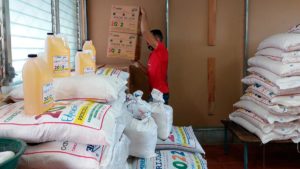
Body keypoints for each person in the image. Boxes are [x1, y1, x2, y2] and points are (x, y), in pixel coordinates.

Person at [135, 8, 169, 104]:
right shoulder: (152, 55)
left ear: (157, 39)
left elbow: (145, 32)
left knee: (159, 119)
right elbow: (148, 73)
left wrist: (144, 15)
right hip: (153, 94)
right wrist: (136, 63)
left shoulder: (161, 50)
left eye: (149, 40)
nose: (147, 42)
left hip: (161, 95)